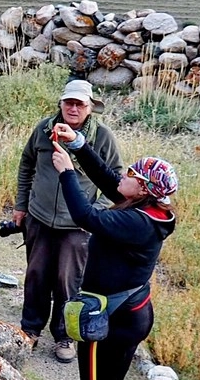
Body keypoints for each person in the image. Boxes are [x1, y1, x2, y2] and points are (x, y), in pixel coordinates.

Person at [47, 130, 178, 380]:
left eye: (133, 174)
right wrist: (78, 145)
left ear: (144, 188)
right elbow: (109, 179)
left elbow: (85, 215)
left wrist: (66, 172)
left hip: (110, 320)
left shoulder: (138, 223)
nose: (125, 175)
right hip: (131, 314)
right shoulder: (149, 210)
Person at [13, 79, 122, 363]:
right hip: (39, 218)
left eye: (79, 104)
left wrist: (94, 214)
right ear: (61, 104)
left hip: (77, 226)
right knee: (36, 275)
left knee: (67, 281)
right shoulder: (43, 129)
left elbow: (116, 182)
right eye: (69, 103)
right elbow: (26, 165)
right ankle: (30, 329)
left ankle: (64, 336)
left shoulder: (102, 137)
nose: (73, 108)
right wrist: (21, 206)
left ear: (90, 108)